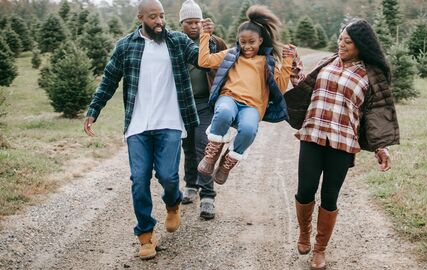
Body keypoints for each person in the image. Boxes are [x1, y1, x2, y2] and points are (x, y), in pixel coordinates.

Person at [83, 0, 211, 260]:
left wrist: (212, 39)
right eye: (153, 17)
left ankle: (172, 203)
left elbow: (203, 60)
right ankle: (145, 236)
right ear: (140, 17)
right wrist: (93, 110)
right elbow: (109, 79)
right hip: (138, 125)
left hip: (170, 123)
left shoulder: (176, 41)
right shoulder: (126, 46)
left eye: (162, 16)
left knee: (168, 176)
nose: (159, 22)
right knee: (139, 180)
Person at [284, 19, 400, 270]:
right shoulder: (327, 62)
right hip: (313, 134)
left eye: (348, 41)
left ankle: (320, 250)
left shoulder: (370, 75)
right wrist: (294, 67)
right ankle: (304, 233)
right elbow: (307, 88)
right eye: (340, 38)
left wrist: (381, 147)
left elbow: (375, 114)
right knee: (305, 190)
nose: (341, 44)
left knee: (329, 197)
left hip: (342, 143)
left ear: (360, 45)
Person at [196, 5, 296, 185]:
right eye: (243, 42)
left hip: (252, 107)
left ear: (260, 40)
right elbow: (204, 61)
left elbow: (280, 88)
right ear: (238, 41)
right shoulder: (231, 55)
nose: (247, 46)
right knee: (224, 112)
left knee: (249, 129)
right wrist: (205, 35)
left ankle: (227, 163)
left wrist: (288, 61)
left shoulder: (267, 62)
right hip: (229, 98)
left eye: (252, 42)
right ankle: (212, 153)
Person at [178, 0, 227, 220]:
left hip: (206, 103)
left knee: (204, 146)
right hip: (183, 104)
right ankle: (191, 185)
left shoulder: (214, 42)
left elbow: (228, 66)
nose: (195, 26)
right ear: (182, 24)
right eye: (189, 22)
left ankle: (208, 196)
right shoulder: (176, 43)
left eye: (197, 21)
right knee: (187, 145)